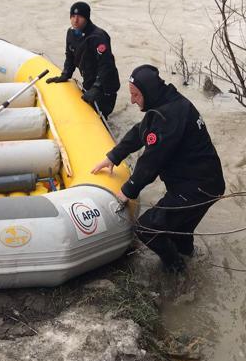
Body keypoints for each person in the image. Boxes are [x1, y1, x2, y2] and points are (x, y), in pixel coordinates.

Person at [91, 65, 225, 271]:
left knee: (147, 228)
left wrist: (128, 190)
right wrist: (114, 157)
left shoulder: (168, 117)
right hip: (207, 183)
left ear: (148, 91)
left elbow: (151, 161)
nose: (133, 100)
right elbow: (140, 131)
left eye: (136, 95)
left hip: (196, 188)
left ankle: (177, 271)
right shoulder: (167, 101)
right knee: (178, 234)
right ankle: (189, 266)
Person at [46, 1, 120, 118]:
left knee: (101, 118)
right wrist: (65, 74)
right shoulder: (71, 33)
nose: (75, 20)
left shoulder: (98, 37)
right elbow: (70, 56)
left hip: (105, 86)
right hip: (89, 81)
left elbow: (106, 65)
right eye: (73, 16)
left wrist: (97, 87)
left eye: (79, 17)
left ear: (86, 18)